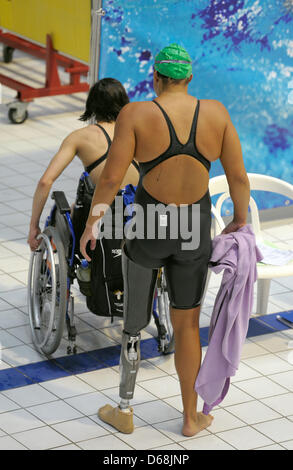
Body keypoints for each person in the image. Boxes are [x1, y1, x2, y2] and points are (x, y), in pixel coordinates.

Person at [80, 44, 250, 437]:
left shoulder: (136, 113)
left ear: (155, 77)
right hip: (193, 223)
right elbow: (239, 178)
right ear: (190, 78)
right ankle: (191, 418)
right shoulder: (216, 114)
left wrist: (93, 223)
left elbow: (110, 178)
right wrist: (239, 220)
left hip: (149, 223)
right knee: (188, 324)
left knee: (133, 323)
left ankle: (124, 409)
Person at [27, 78, 139, 251]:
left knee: (70, 210)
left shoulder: (79, 137)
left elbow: (45, 181)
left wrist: (33, 226)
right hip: (138, 214)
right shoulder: (138, 132)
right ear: (124, 102)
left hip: (99, 216)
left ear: (92, 104)